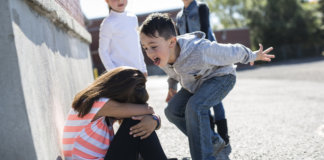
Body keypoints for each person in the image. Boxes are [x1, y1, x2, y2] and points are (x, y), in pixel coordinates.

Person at [139, 13, 274, 160]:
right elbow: (173, 73)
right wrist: (172, 87)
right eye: (145, 48)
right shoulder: (163, 56)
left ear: (172, 42)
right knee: (172, 111)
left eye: (153, 46)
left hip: (221, 77)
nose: (149, 53)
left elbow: (230, 51)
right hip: (195, 83)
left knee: (195, 106)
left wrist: (253, 55)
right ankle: (213, 142)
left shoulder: (199, 49)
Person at [62, 67, 170, 160]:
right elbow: (148, 110)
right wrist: (153, 119)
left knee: (139, 123)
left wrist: (154, 120)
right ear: (119, 94)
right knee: (134, 121)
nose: (130, 109)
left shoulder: (100, 107)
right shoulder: (96, 103)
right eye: (130, 105)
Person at [175, 0, 229, 145]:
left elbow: (205, 32)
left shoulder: (201, 8)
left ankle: (224, 136)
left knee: (215, 98)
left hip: (208, 58)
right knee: (200, 98)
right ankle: (212, 137)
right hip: (190, 64)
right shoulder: (179, 16)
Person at [99, 0, 147, 76]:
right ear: (107, 1)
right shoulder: (108, 23)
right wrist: (114, 72)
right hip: (122, 75)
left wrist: (143, 68)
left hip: (138, 72)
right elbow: (103, 51)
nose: (120, 1)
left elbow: (137, 46)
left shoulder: (133, 18)